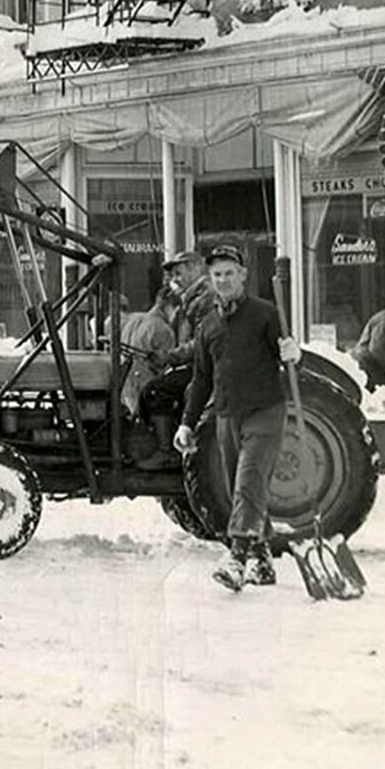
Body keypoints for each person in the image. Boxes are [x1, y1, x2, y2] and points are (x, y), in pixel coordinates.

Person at [173, 244, 300, 592]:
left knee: (248, 482)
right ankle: (262, 559)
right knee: (240, 490)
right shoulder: (207, 326)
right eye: (217, 275)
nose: (224, 280)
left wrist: (293, 352)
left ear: (243, 275)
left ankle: (237, 558)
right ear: (210, 279)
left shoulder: (265, 314)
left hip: (265, 411)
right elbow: (200, 379)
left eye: (230, 273)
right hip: (227, 415)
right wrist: (187, 422)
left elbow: (286, 357)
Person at [119, 287, 180, 469]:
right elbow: (166, 366)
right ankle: (166, 449)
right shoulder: (162, 329)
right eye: (176, 311)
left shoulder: (133, 320)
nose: (176, 316)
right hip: (147, 388)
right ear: (169, 306)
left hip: (127, 387)